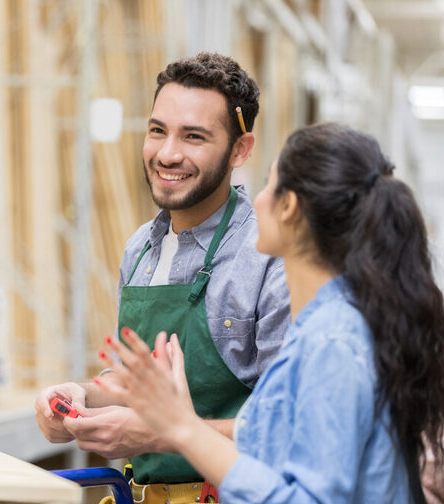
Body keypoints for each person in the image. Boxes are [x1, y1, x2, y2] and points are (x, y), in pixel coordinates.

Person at [99, 123, 444, 503]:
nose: (256, 199)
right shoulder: (320, 328)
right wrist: (172, 418)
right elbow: (263, 439)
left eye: (267, 185)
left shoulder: (332, 342)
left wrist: (182, 427)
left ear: (290, 207)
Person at [35, 52, 290, 502]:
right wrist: (82, 397)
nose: (168, 153)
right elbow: (134, 387)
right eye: (158, 131)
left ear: (239, 150)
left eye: (194, 137)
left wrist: (162, 434)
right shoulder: (140, 249)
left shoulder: (268, 257)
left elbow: (288, 428)